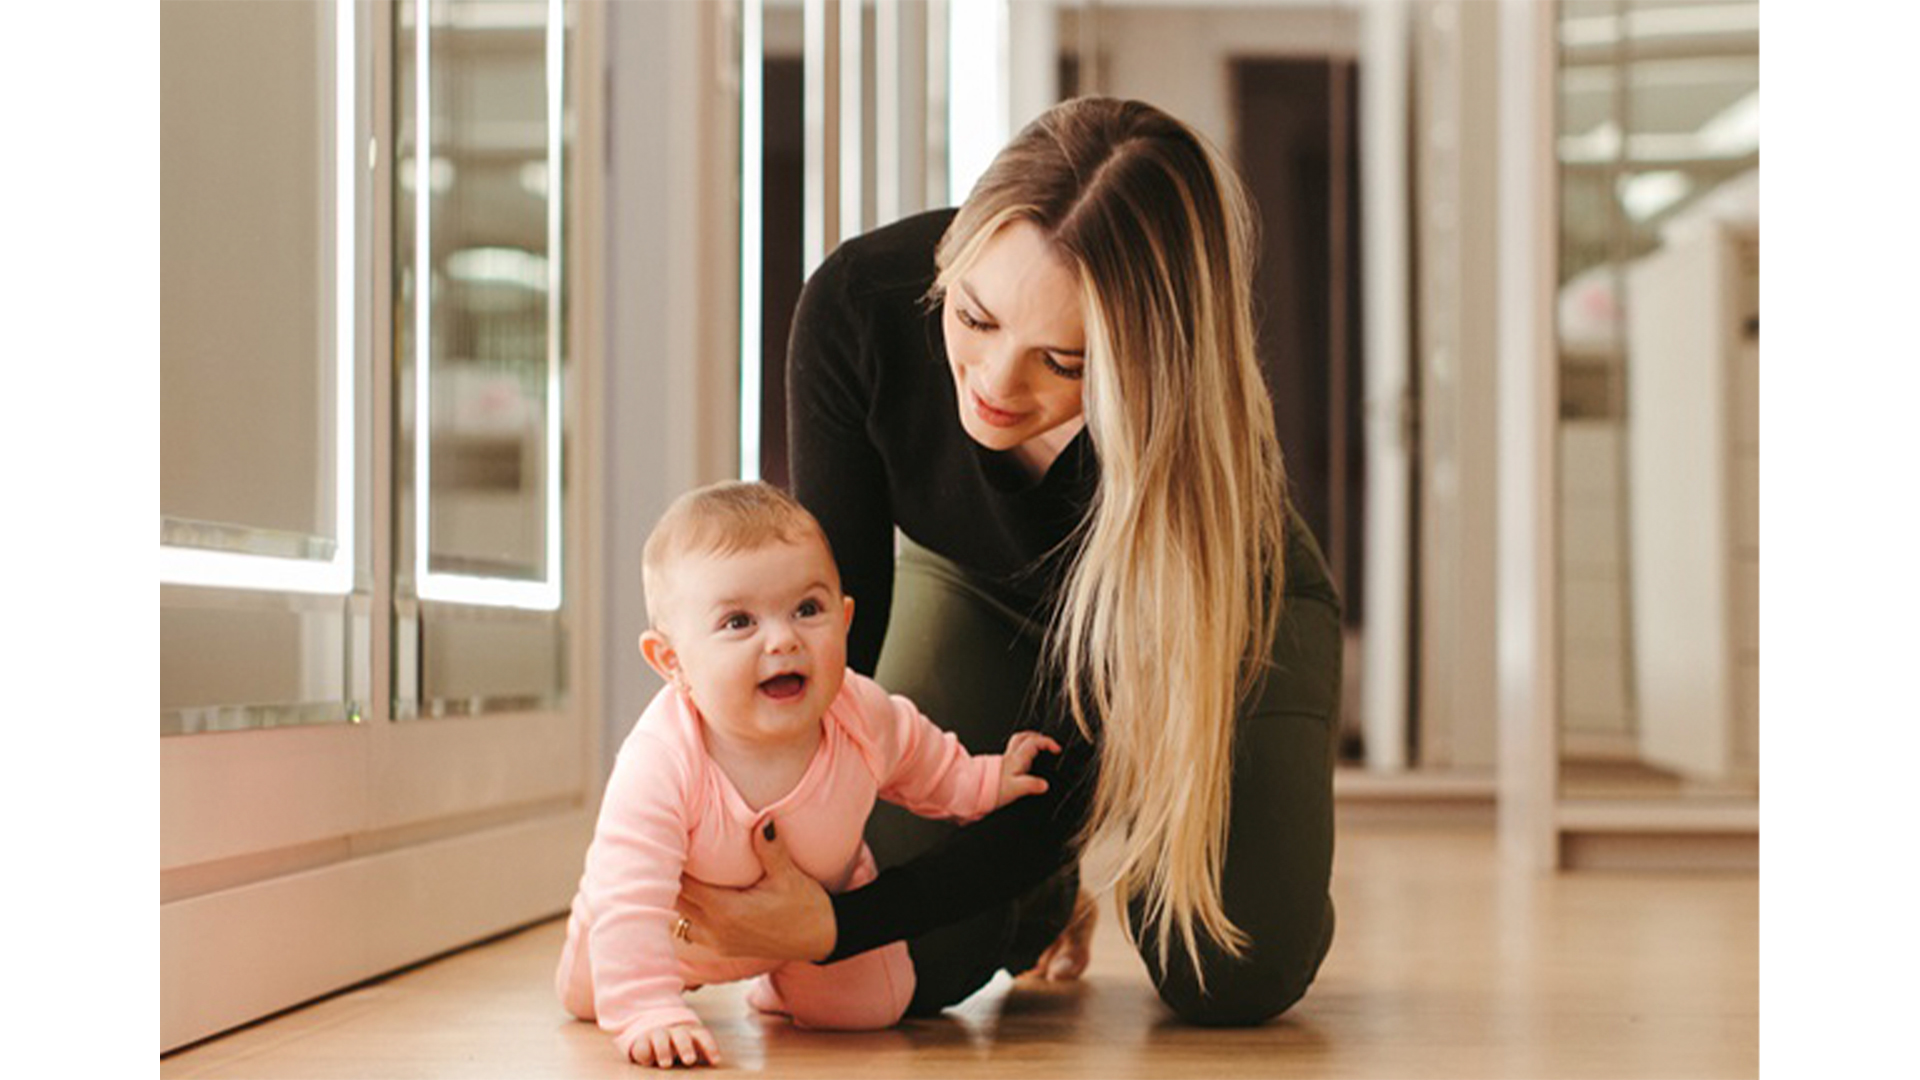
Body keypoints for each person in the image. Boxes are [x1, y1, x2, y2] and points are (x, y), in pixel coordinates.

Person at [674, 95, 1343, 1027]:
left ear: (1136, 371)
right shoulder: (859, 307)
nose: (992, 385)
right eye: (976, 318)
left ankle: (1238, 854)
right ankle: (1039, 900)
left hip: (1217, 626)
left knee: (1227, 975)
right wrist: (733, 858)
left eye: (1060, 362)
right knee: (906, 968)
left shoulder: (1183, 451)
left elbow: (1079, 773)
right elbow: (830, 659)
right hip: (976, 588)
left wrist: (832, 924)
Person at [556, 481, 1060, 1067]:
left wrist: (989, 781)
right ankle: (632, 980)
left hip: (815, 916)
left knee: (873, 1007)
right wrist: (647, 1008)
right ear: (672, 662)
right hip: (677, 932)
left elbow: (926, 763)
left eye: (807, 609)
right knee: (591, 995)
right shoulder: (661, 761)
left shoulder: (860, 713)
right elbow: (632, 900)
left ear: (844, 620)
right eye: (739, 622)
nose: (783, 639)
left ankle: (777, 986)